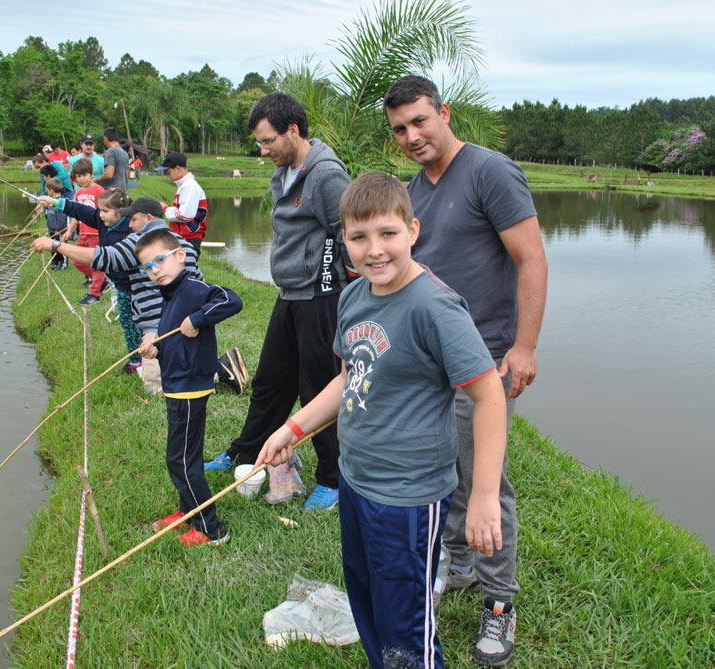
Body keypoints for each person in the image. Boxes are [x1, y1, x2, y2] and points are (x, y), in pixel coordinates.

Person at [256, 172, 506, 668]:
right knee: (366, 597)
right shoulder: (354, 297)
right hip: (357, 480)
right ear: (343, 240)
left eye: (388, 233)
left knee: (406, 622)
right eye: (358, 237)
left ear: (412, 230)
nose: (375, 250)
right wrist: (294, 427)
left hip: (409, 497)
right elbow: (349, 378)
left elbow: (489, 395)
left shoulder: (435, 307)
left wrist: (481, 497)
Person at [383, 75, 548, 667]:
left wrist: (524, 348)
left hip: (485, 360)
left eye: (420, 121)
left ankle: (499, 603)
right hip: (431, 362)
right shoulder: (414, 190)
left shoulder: (489, 172)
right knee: (445, 470)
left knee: (485, 483)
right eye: (399, 129)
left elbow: (531, 260)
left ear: (444, 113)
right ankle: (459, 564)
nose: (411, 135)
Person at [205, 92, 353, 512]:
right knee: (271, 379)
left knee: (317, 389)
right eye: (260, 143)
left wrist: (344, 295)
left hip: (322, 297)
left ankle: (332, 477)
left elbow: (349, 235)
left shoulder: (326, 176)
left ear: (293, 130)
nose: (263, 150)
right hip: (290, 294)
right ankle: (247, 453)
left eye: (269, 141)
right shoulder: (281, 173)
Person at [135, 228, 243, 545]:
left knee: (181, 460)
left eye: (159, 260)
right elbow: (177, 343)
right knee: (184, 456)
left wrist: (198, 319)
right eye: (147, 267)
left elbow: (231, 300)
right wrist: (156, 350)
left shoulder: (193, 289)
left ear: (180, 255)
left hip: (188, 389)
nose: (154, 270)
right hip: (177, 385)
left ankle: (211, 529)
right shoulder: (169, 296)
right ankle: (187, 512)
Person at [31, 196, 201, 395]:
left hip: (158, 328)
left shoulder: (143, 242)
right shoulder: (184, 244)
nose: (130, 224)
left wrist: (55, 246)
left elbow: (103, 258)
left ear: (147, 217)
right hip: (189, 323)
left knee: (157, 390)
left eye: (133, 219)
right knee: (189, 374)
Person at [65, 159, 108, 305]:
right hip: (82, 233)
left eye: (84, 175)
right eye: (78, 176)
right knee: (78, 261)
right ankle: (102, 281)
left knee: (96, 264)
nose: (82, 178)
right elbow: (77, 214)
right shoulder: (78, 193)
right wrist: (70, 229)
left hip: (96, 233)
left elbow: (104, 212)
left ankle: (95, 294)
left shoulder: (99, 191)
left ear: (91, 174)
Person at [154, 151, 208, 258]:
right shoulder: (184, 186)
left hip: (189, 238)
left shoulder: (190, 186)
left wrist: (165, 209)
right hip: (182, 237)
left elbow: (185, 215)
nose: (167, 176)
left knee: (185, 271)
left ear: (178, 168)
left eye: (168, 172)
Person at [42, 177, 73, 270]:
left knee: (61, 246)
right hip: (52, 229)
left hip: (59, 230)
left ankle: (64, 264)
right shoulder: (50, 201)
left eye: (46, 189)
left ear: (51, 190)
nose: (45, 190)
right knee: (53, 246)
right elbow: (48, 215)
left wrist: (59, 229)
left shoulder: (60, 202)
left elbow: (61, 217)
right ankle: (55, 261)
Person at [96, 127, 129, 193]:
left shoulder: (110, 151)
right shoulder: (125, 153)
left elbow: (108, 174)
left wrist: (94, 181)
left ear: (105, 139)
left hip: (112, 194)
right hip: (123, 192)